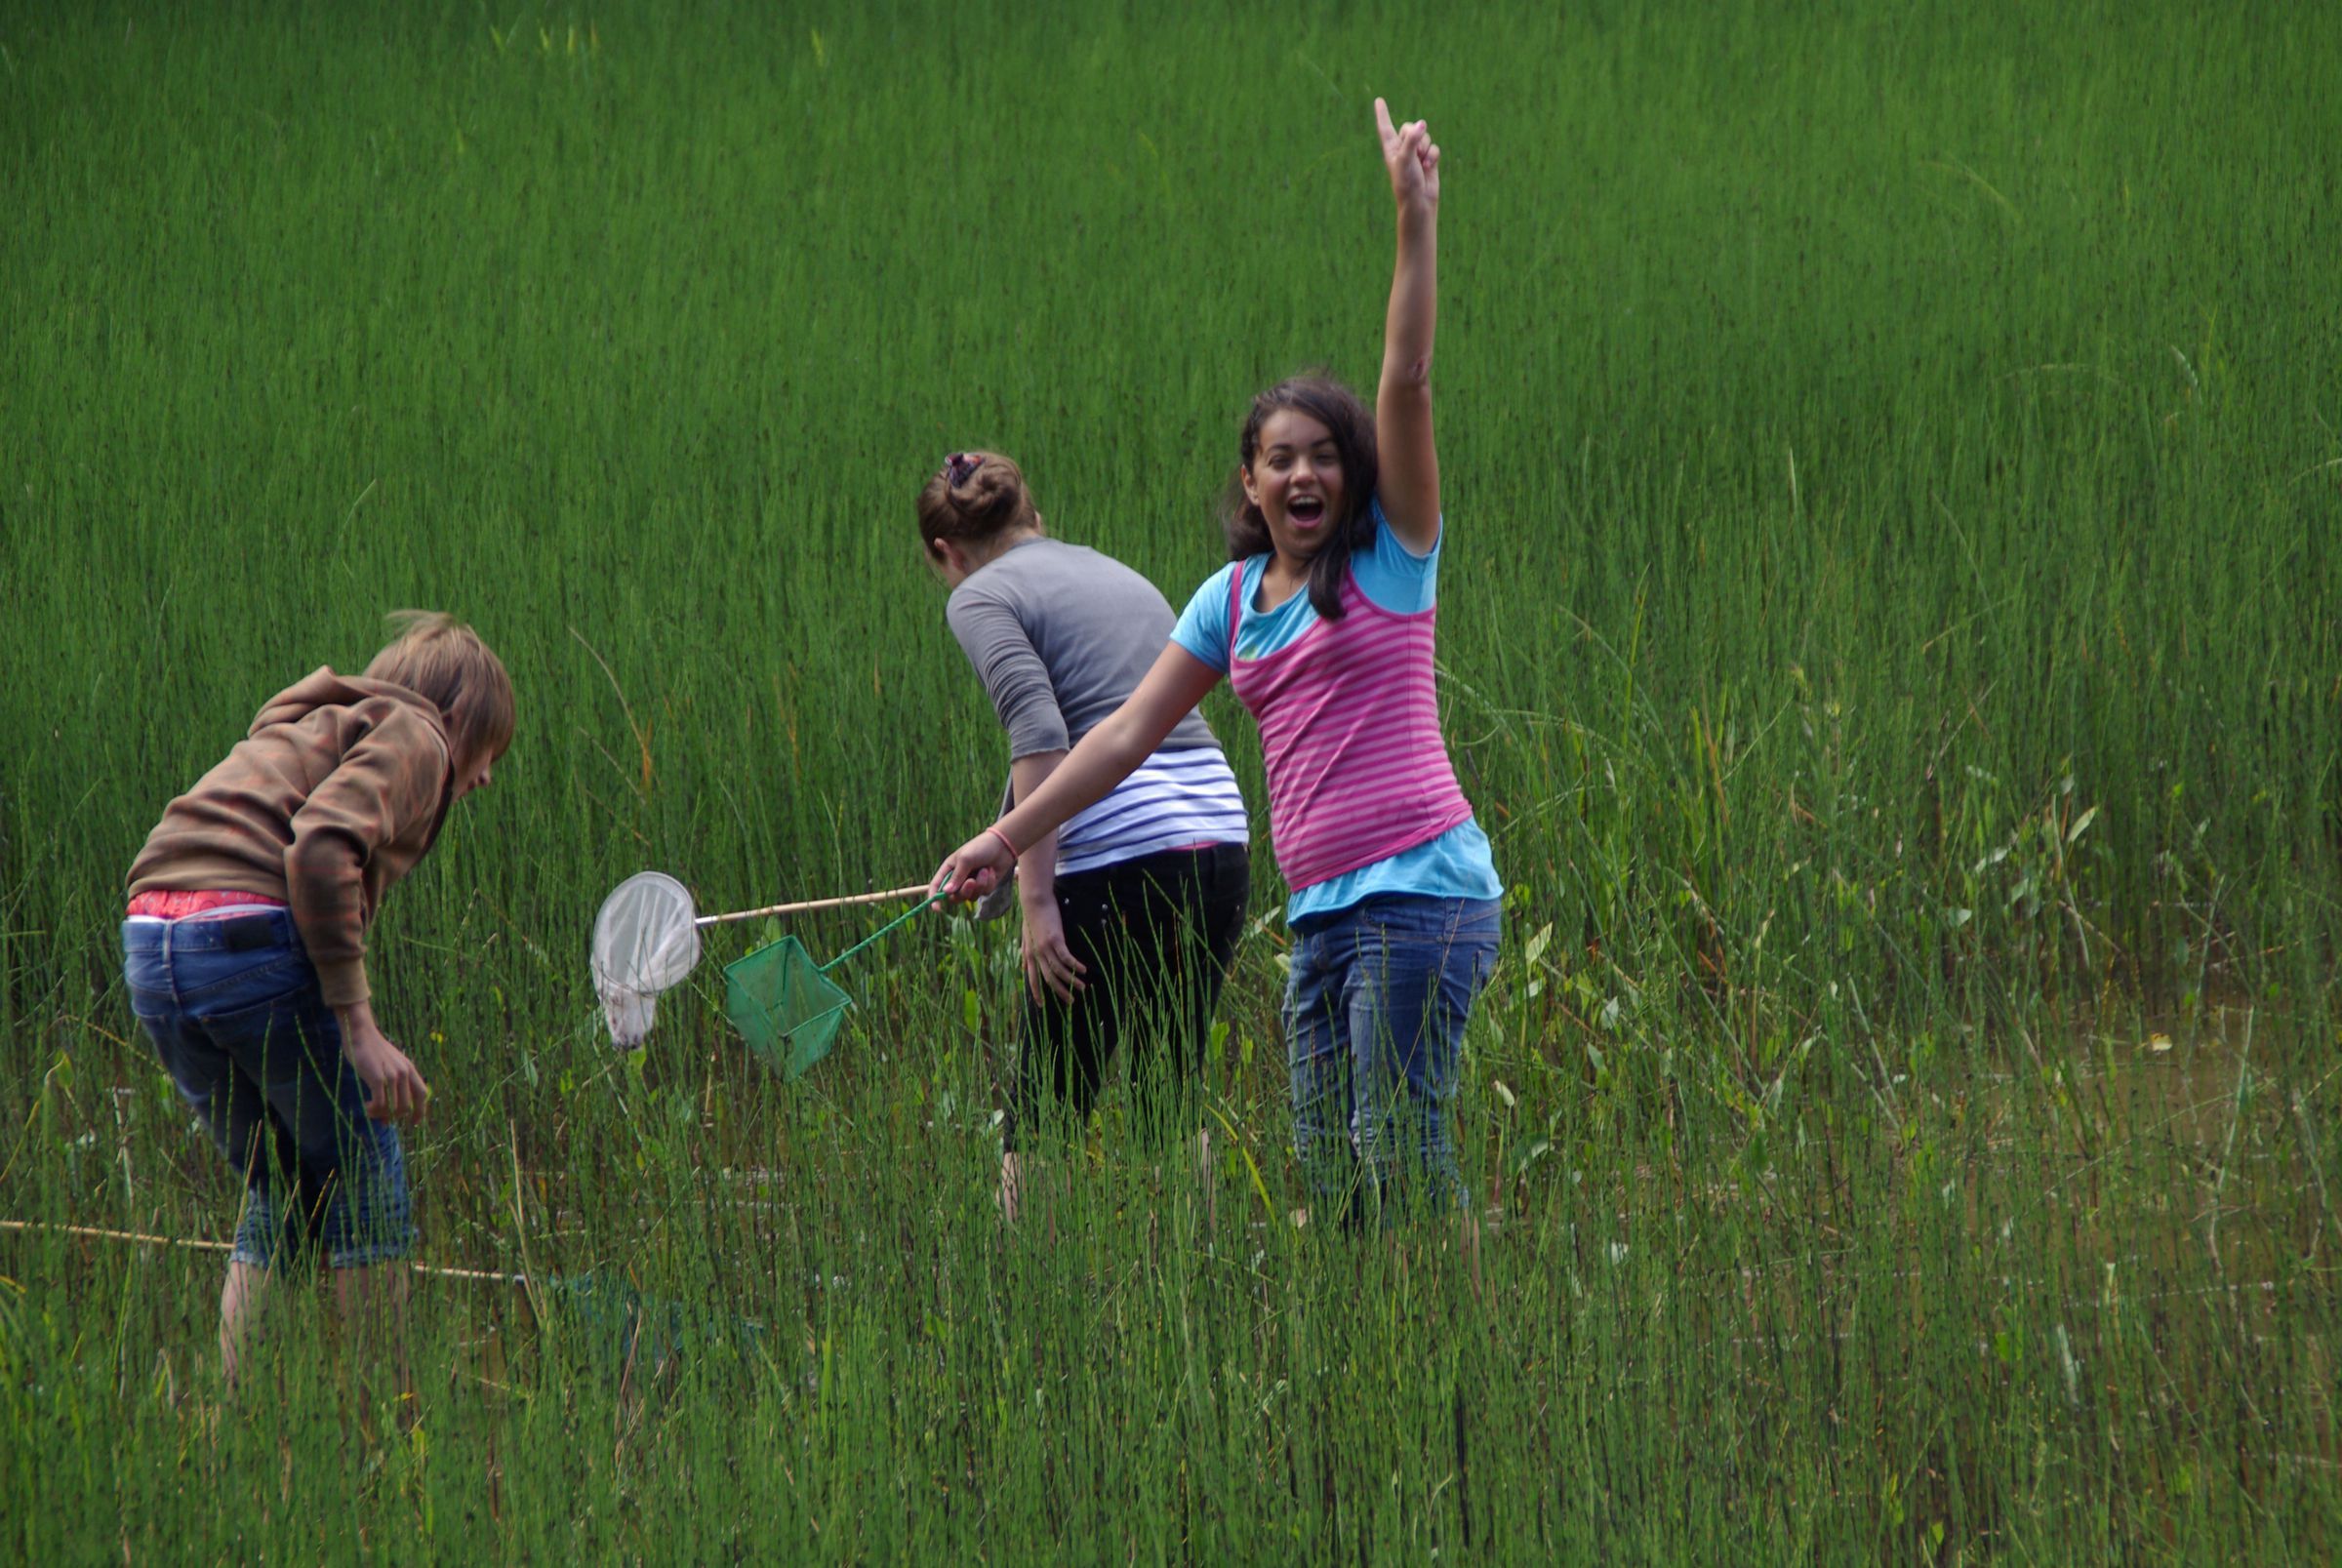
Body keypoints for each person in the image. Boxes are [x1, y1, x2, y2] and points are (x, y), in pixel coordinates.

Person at [934, 101, 1501, 1241]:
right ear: (1250, 484)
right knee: (1336, 1181)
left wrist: (1414, 219)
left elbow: (1408, 378)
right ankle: (1378, 1374)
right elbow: (1118, 738)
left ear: (1353, 475)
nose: (1302, 473)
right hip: (1324, 914)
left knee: (1402, 1156)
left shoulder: (1394, 558)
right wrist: (1004, 842)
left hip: (1422, 895)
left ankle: (1460, 1376)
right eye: (1278, 458)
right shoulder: (1231, 600)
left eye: (1323, 456)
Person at [121, 611, 512, 1396]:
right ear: (457, 715)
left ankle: (233, 1416)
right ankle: (391, 1424)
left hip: (151, 941)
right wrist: (358, 1027)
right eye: (489, 750)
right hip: (245, 931)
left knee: (286, 1183)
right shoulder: (419, 735)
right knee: (368, 1173)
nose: (484, 776)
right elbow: (323, 845)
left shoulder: (310, 722)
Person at [919, 451, 1251, 1221]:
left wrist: (1036, 902)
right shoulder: (1111, 570)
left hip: (1120, 857)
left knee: (1043, 1113)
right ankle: (1194, 1290)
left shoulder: (978, 595)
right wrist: (1007, 855)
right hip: (1217, 839)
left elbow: (1041, 732)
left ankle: (1024, 1309)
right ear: (1030, 514)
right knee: (1171, 1090)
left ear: (946, 552)